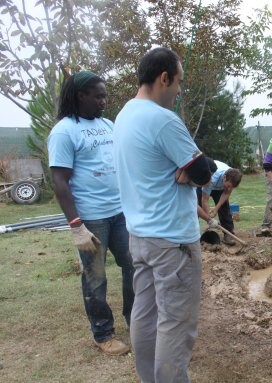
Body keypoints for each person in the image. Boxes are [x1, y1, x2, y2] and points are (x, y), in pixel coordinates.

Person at [113, 47, 212, 382]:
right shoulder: (162, 120)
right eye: (178, 83)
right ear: (164, 78)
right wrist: (197, 167)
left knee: (145, 313)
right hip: (172, 242)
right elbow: (202, 171)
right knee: (175, 321)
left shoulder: (124, 115)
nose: (180, 91)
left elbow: (193, 168)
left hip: (140, 236)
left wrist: (193, 167)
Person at [47, 71, 134, 356]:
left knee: (135, 265)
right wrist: (76, 225)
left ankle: (135, 319)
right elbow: (59, 181)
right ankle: (103, 333)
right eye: (98, 96)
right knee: (95, 278)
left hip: (120, 212)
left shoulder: (107, 124)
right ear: (80, 95)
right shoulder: (64, 131)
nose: (103, 101)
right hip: (91, 217)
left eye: (104, 95)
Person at [196, 159, 242, 245]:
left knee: (224, 207)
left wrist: (216, 208)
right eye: (228, 186)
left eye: (231, 187)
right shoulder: (212, 178)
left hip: (219, 187)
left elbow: (226, 193)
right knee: (197, 207)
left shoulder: (233, 178)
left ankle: (228, 234)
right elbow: (204, 200)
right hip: (205, 184)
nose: (229, 189)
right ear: (224, 178)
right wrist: (209, 220)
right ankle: (192, 233)